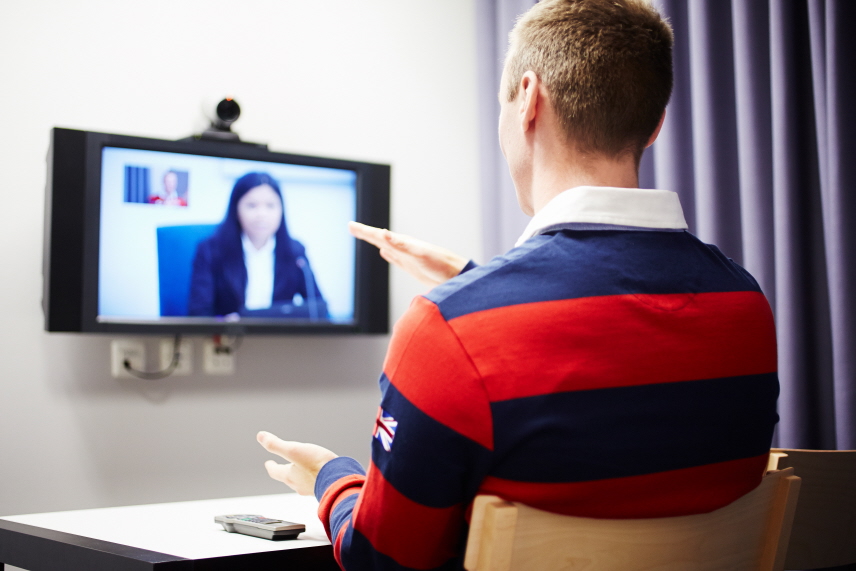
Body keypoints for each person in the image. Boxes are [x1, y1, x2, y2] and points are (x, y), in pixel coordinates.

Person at [257, 0, 779, 569]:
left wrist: (331, 478)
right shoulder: (745, 304)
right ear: (654, 125)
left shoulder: (447, 329)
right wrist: (474, 283)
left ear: (528, 99)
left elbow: (382, 560)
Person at [188, 172, 327, 319]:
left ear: (281, 210)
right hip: (228, 339)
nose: (262, 214)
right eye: (251, 205)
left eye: (270, 206)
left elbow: (318, 309)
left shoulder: (295, 251)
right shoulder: (211, 250)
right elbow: (198, 313)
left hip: (278, 340)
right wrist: (223, 322)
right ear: (236, 209)